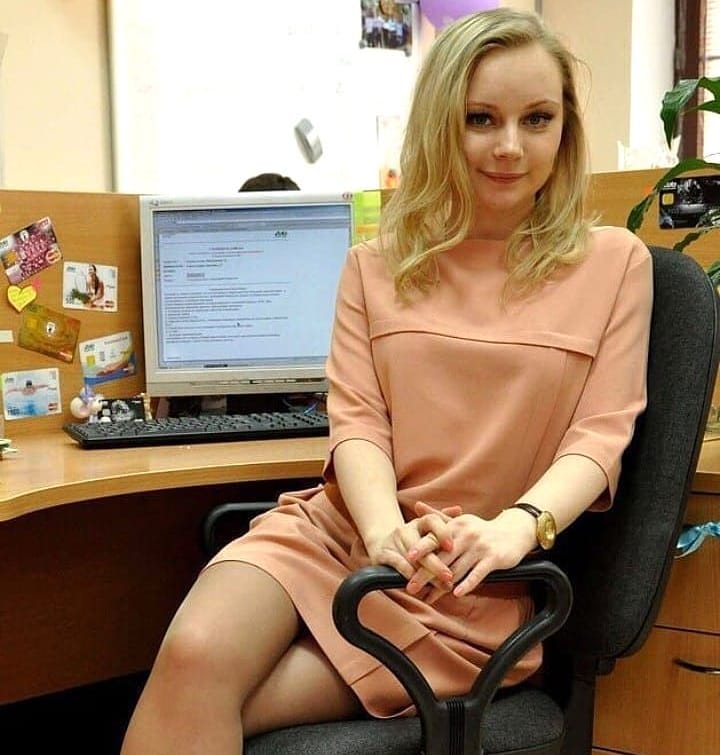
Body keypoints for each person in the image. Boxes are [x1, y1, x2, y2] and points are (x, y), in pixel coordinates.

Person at [120, 8, 652, 753]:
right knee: (191, 656)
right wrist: (381, 532)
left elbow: (600, 437)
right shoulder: (376, 264)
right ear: (440, 125)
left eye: (537, 119)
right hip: (343, 534)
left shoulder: (614, 263)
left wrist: (516, 527)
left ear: (565, 128)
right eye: (480, 118)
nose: (509, 145)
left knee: (208, 704)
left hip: (469, 585)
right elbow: (359, 424)